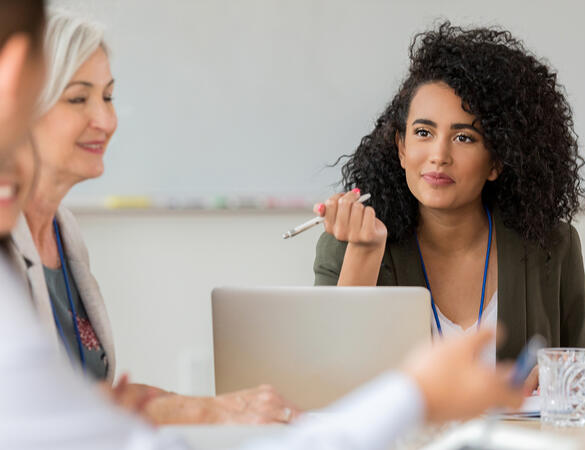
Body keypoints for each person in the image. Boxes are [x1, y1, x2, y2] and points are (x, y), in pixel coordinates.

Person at [0, 3, 525, 448]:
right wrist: (417, 393)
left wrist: (204, 409)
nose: (107, 120)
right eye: (79, 98)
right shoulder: (12, 251)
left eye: (109, 96)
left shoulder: (66, 239)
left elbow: (92, 405)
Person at [313, 22, 585, 373]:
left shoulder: (553, 244)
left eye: (464, 138)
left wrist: (554, 379)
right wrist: (363, 255)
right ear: (401, 148)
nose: (439, 155)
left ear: (497, 161)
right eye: (423, 132)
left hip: (516, 432)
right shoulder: (347, 243)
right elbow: (327, 383)